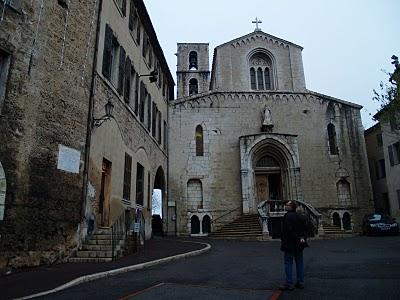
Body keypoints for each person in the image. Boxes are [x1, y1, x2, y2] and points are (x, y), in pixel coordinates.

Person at [279, 201, 308, 290]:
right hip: (300, 244)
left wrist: (296, 238)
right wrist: (302, 238)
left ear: (291, 207)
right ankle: (300, 282)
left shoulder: (287, 216)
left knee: (288, 262)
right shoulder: (301, 216)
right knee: (300, 263)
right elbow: (305, 229)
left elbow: (288, 230)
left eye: (287, 205)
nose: (285, 206)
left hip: (290, 244)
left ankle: (289, 283)